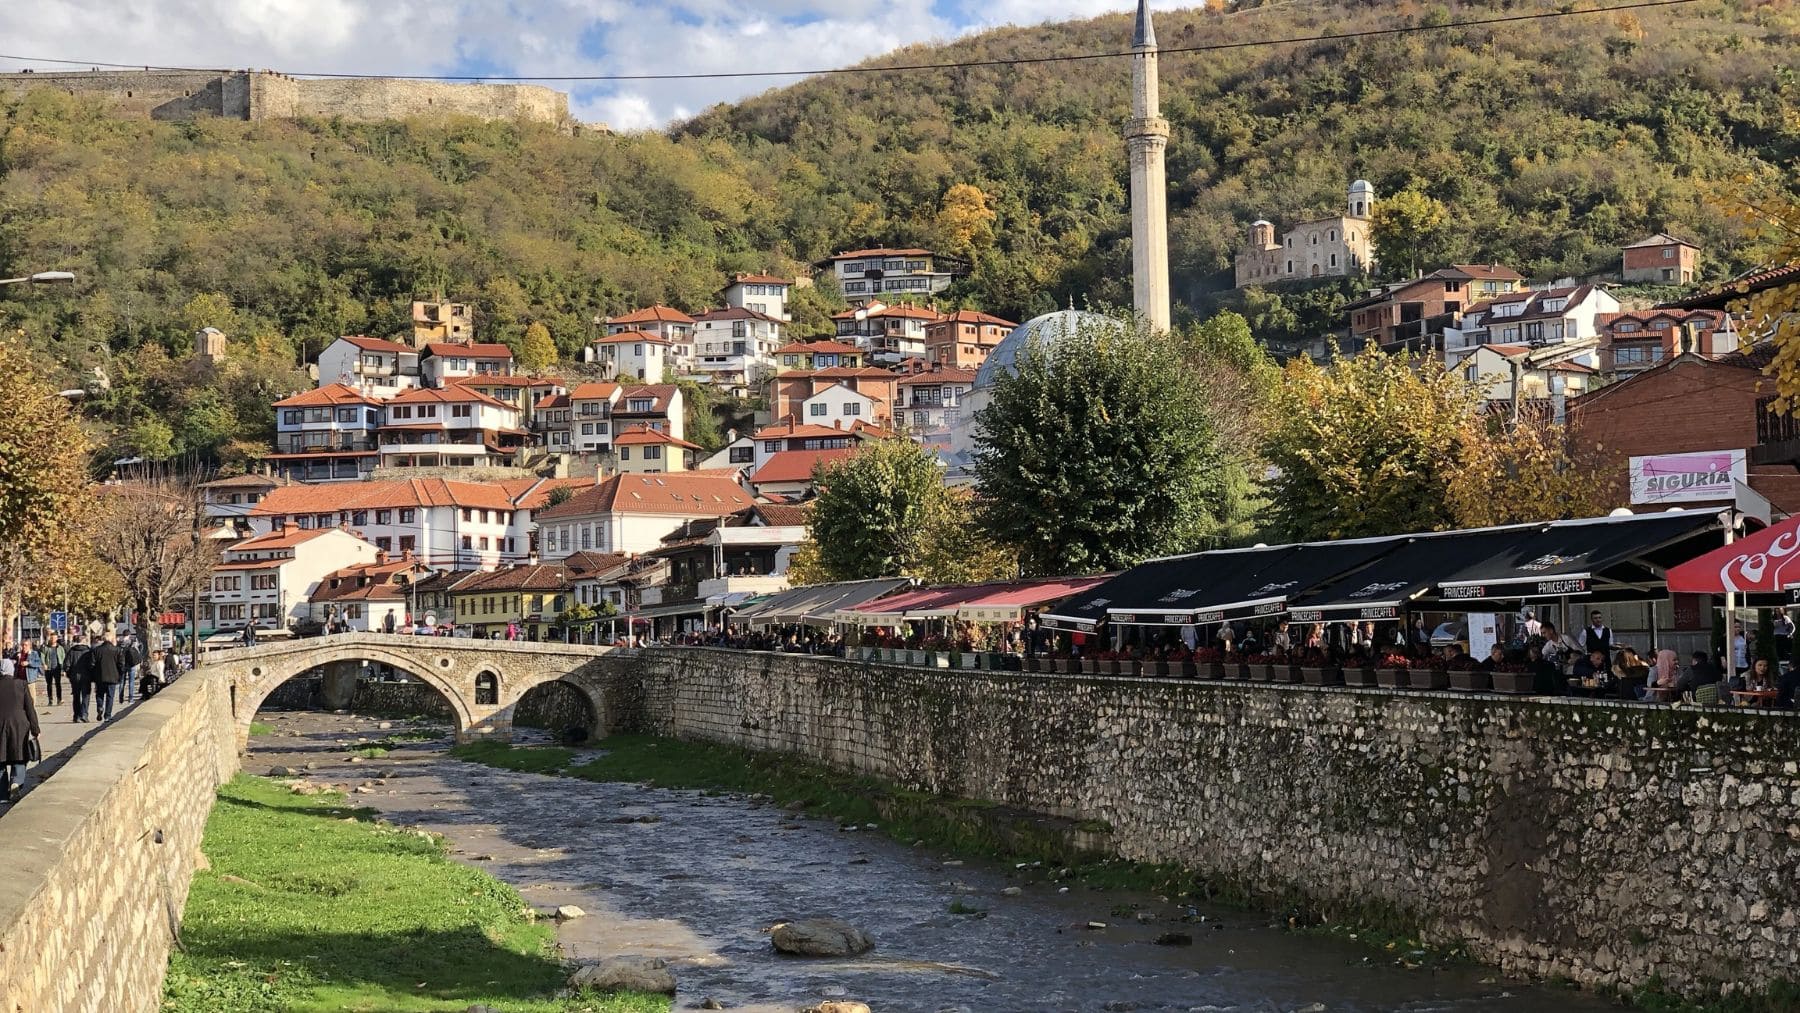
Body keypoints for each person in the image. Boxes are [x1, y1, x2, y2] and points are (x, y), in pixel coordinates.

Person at [0, 657, 39, 804]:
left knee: (1, 761)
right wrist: (35, 728)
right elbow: (30, 708)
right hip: (19, 725)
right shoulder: (21, 684)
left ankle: (2, 794)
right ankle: (16, 782)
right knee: (19, 757)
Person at [91, 631, 125, 722]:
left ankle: (100, 707)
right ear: (111, 639)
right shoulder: (117, 650)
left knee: (99, 694)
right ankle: (107, 715)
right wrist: (120, 675)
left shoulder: (97, 650)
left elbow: (92, 664)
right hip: (113, 676)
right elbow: (121, 664)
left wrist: (94, 675)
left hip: (100, 677)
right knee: (110, 696)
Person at [66, 636, 93, 723]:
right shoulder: (88, 651)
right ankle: (84, 714)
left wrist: (69, 675)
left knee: (76, 696)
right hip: (86, 677)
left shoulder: (71, 651)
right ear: (84, 641)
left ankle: (76, 716)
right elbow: (92, 664)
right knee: (86, 696)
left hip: (74, 677)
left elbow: (67, 665)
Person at [38, 632, 67, 708]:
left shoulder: (60, 648)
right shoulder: (46, 647)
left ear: (57, 638)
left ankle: (59, 699)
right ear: (50, 638)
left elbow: (63, 658)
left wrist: (63, 670)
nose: (53, 639)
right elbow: (42, 656)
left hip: (57, 668)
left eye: (54, 638)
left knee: (58, 684)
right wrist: (44, 664)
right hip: (48, 669)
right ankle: (50, 700)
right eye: (52, 638)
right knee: (49, 685)